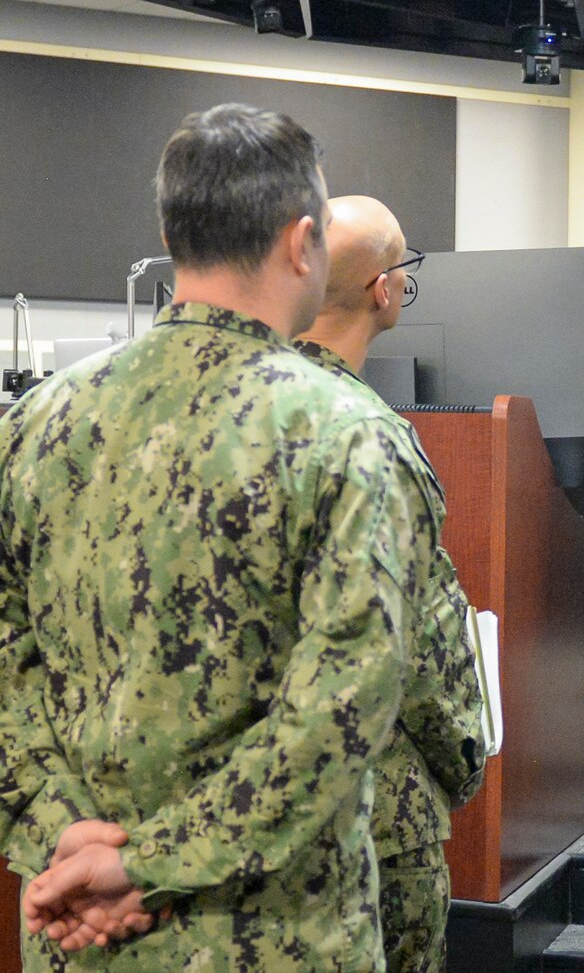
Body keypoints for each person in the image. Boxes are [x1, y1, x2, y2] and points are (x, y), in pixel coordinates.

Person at [0, 103, 439, 968]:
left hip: (77, 926)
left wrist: (69, 843)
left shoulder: (35, 420)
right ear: (301, 242)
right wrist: (145, 868)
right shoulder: (345, 432)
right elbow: (342, 708)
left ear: (172, 230)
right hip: (273, 931)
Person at [295, 194, 487, 972]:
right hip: (375, 803)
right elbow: (421, 645)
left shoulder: (229, 413)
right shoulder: (370, 437)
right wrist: (465, 758)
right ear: (387, 289)